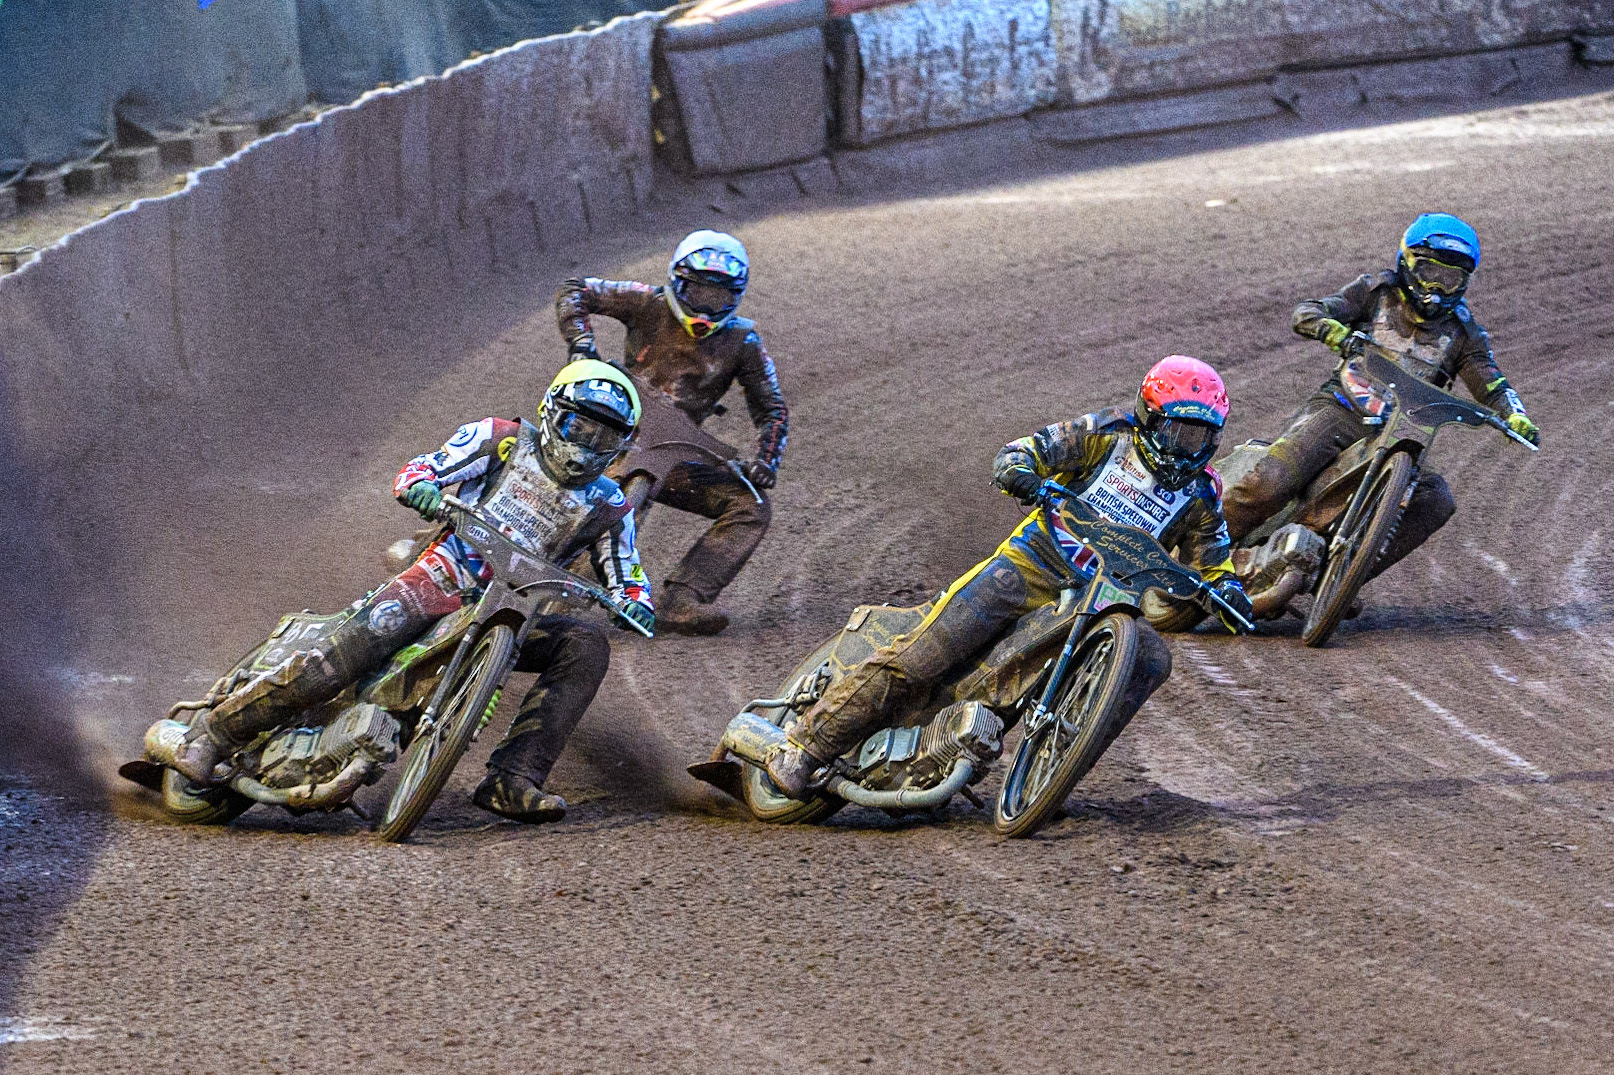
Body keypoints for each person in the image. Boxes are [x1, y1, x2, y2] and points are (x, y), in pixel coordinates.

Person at [172, 360, 655, 824]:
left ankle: (513, 777)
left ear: (619, 447)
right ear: (552, 413)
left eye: (604, 437)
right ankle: (216, 735)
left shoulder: (609, 504)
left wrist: (637, 601)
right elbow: (422, 469)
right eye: (579, 427)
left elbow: (627, 570)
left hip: (516, 611)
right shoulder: (501, 440)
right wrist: (420, 487)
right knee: (352, 649)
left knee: (586, 644)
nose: (587, 445)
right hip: (439, 579)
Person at [765, 356, 1252, 798]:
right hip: (1028, 564)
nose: (1186, 449)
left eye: (1200, 438)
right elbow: (1020, 452)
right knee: (926, 654)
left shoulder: (1202, 494)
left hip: (1096, 601)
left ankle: (1051, 775)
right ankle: (804, 746)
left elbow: (1213, 557)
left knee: (1034, 688)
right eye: (1177, 433)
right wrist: (1025, 474)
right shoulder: (1104, 433)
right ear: (1149, 417)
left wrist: (1228, 591)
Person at [1221, 213, 1539, 578]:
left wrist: (1516, 415)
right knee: (1270, 481)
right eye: (1429, 272)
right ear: (1406, 263)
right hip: (1340, 408)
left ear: (1464, 284)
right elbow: (1306, 312)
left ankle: (1345, 577)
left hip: (1403, 434)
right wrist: (1335, 333)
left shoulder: (1464, 333)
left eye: (1450, 279)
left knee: (1437, 500)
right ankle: (1204, 552)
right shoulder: (1376, 292)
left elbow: (1493, 383)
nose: (1437, 287)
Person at [555, 229, 788, 635]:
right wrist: (581, 346)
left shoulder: (743, 340)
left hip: (676, 452)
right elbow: (575, 290)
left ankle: (683, 598)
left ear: (736, 295)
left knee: (752, 506)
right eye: (697, 292)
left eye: (716, 297)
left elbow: (773, 409)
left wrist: (766, 460)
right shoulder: (645, 301)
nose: (705, 305)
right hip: (610, 436)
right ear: (677, 282)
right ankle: (555, 575)